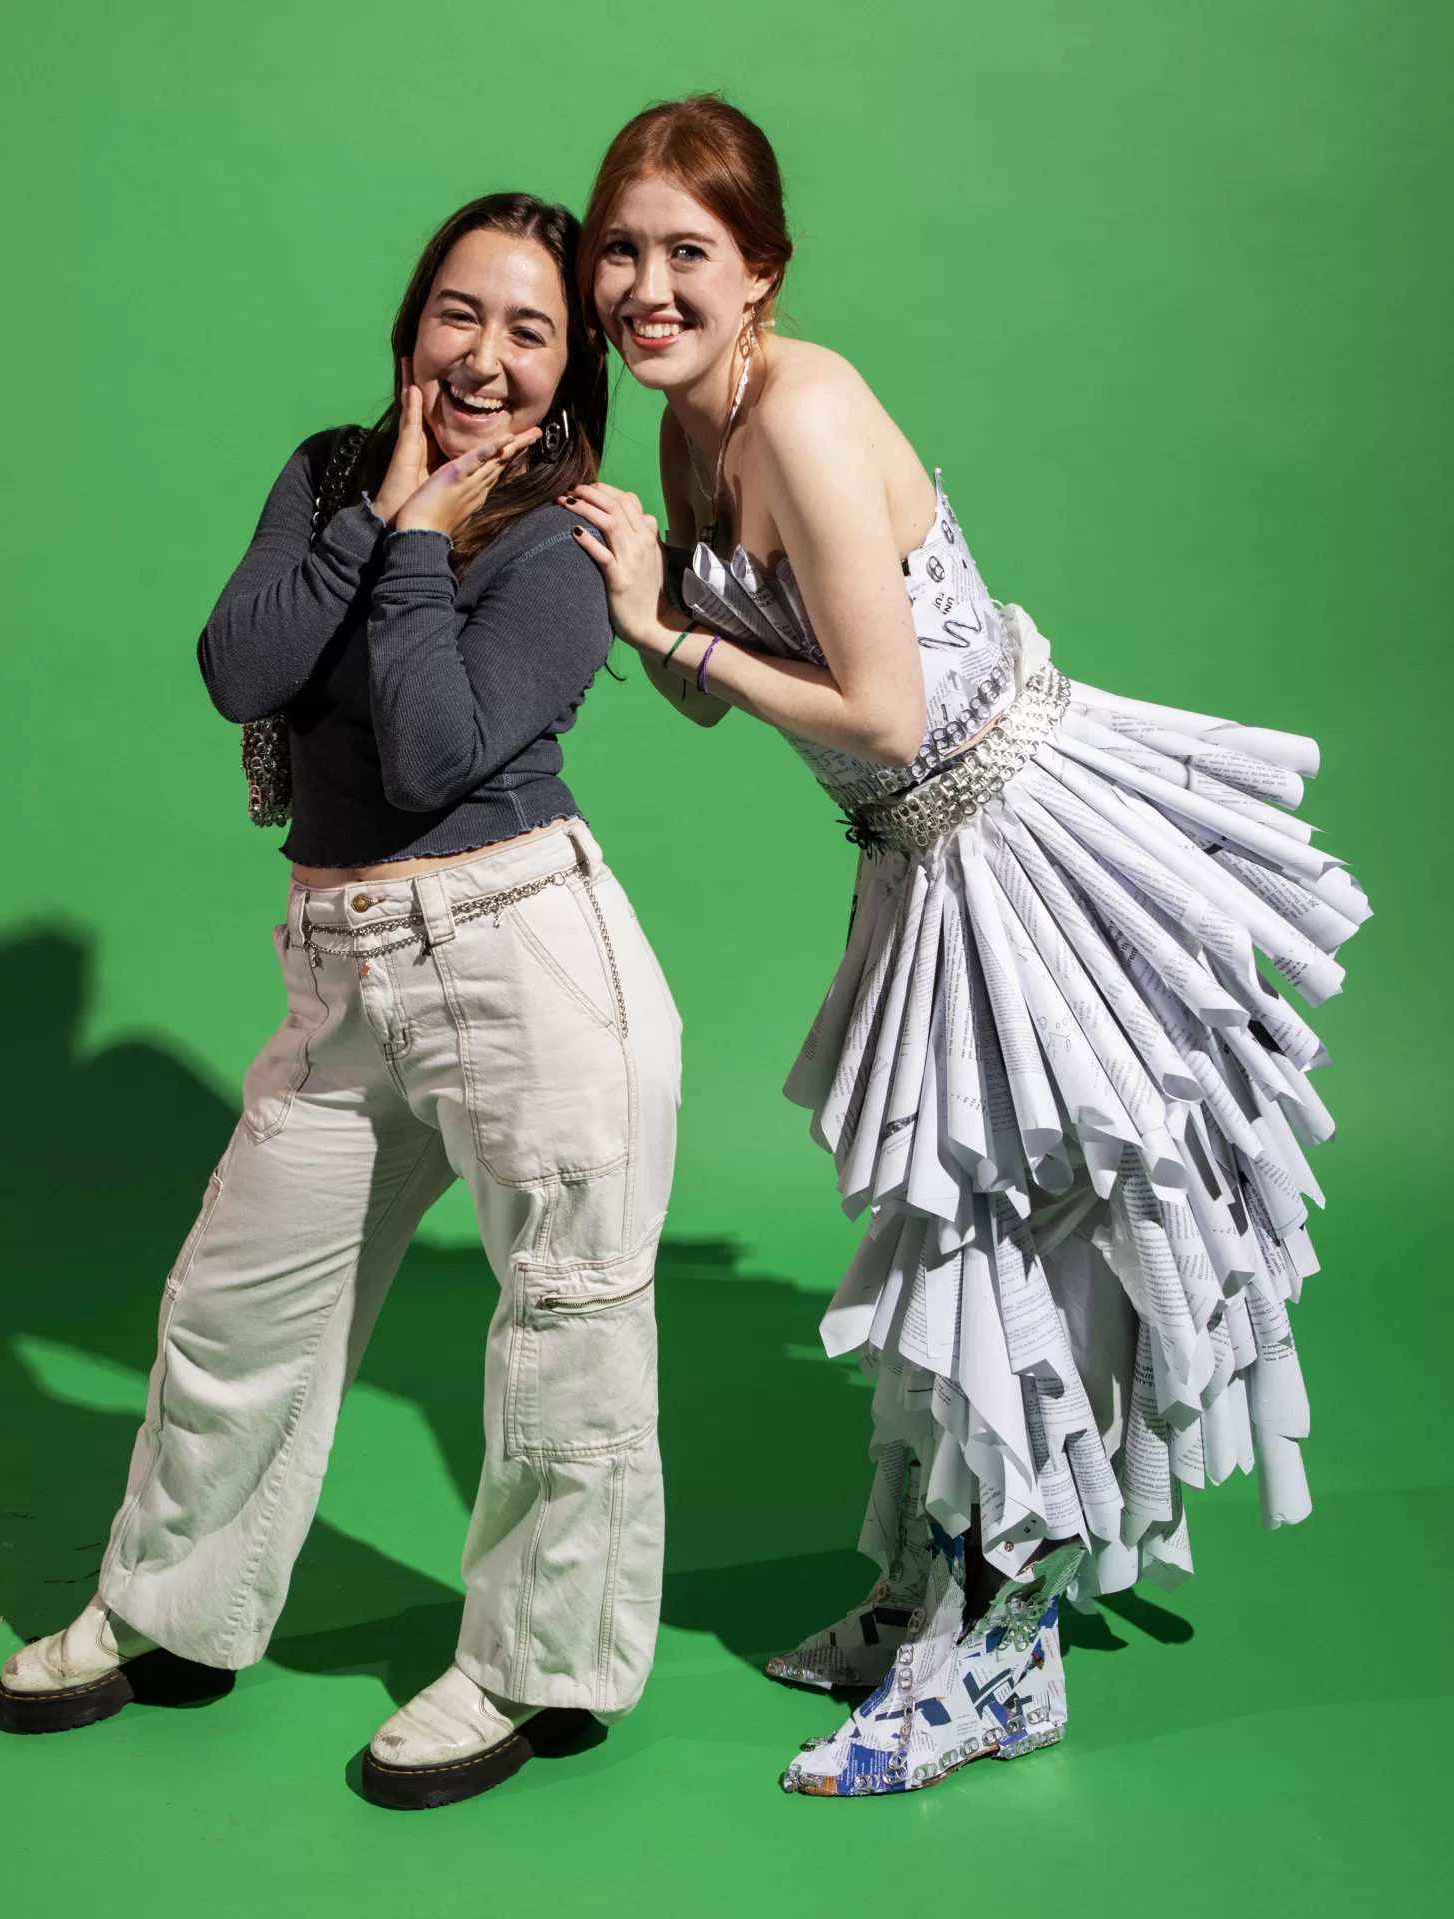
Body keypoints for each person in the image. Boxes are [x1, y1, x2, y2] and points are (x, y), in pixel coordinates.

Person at [564, 97, 1368, 1797]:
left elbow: (878, 702)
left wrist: (664, 633)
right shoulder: (691, 434)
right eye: (620, 250)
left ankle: (1004, 1657)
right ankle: (929, 1593)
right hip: (917, 861)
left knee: (1031, 1244)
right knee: (948, 1237)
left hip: (1024, 846)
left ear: (760, 270)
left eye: (684, 253)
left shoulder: (800, 406)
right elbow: (724, 691)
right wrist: (652, 587)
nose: (644, 286)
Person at [0, 193, 682, 1813]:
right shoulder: (322, 472)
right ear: (409, 323)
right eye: (461, 313)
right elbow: (244, 665)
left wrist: (427, 538)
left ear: (571, 368)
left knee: (565, 1329)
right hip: (342, 964)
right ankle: (166, 1612)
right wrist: (380, 506)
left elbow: (438, 751)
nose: (486, 358)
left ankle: (534, 1666)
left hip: (526, 957)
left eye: (529, 331)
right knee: (234, 1308)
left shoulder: (571, 537)